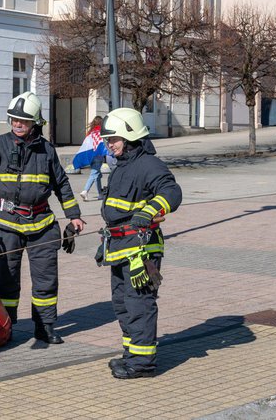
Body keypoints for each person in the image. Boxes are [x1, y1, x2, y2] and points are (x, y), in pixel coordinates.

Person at [0, 92, 86, 344]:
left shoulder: (46, 151)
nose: (17, 124)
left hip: (42, 225)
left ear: (36, 122)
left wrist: (74, 216)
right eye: (13, 119)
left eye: (23, 120)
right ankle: (4, 325)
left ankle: (45, 327)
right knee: (6, 279)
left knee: (46, 279)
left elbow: (62, 184)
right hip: (7, 224)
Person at [96, 108, 182, 378]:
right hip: (120, 246)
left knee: (139, 304)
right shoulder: (123, 164)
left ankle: (143, 364)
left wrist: (148, 212)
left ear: (131, 136)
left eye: (114, 139)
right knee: (122, 303)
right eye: (108, 140)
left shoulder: (149, 165)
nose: (110, 144)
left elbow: (172, 191)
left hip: (141, 249)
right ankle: (131, 354)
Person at [77, 116, 115, 201]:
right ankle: (85, 191)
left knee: (97, 175)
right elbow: (105, 144)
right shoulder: (101, 132)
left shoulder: (90, 133)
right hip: (98, 156)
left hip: (90, 156)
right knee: (94, 174)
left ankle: (100, 194)